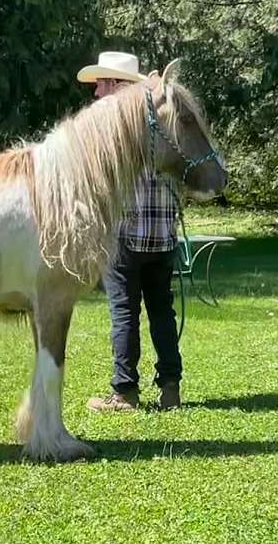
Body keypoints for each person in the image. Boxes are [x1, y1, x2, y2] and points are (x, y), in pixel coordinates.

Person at [77, 52, 182, 411]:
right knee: (162, 312)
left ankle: (124, 391)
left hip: (125, 234)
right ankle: (170, 389)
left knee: (124, 313)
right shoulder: (164, 122)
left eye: (102, 84)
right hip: (163, 235)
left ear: (118, 86)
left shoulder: (115, 127)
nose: (96, 93)